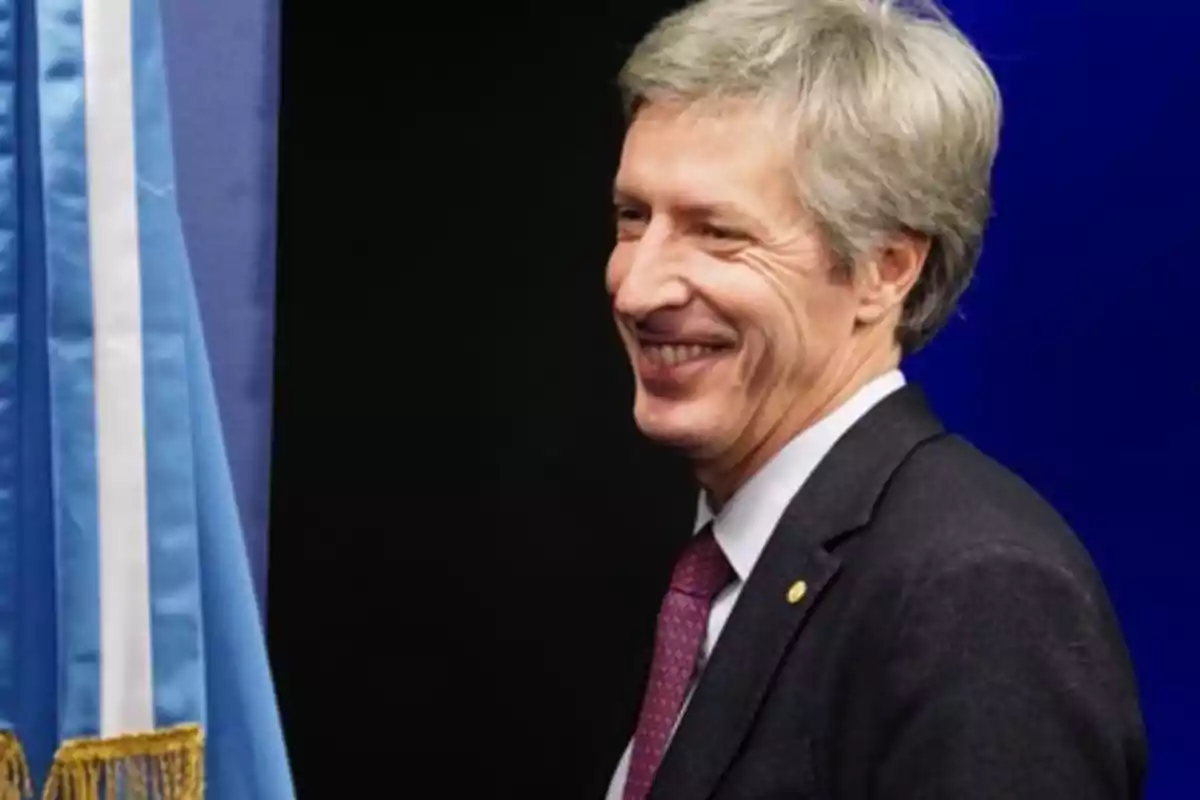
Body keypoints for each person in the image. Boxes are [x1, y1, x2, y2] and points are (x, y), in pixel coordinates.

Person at [601, 1, 1148, 798]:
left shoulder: (977, 592)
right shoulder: (723, 566)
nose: (637, 287)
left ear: (885, 269)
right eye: (631, 218)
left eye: (718, 232)